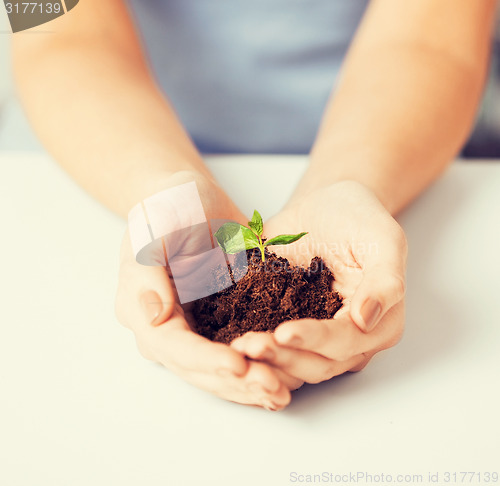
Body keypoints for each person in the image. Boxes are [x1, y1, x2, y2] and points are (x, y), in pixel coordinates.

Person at [12, 0, 496, 411]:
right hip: (112, 135)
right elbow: (51, 30)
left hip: (396, 136)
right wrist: (163, 192)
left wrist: (349, 183)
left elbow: (436, 40)